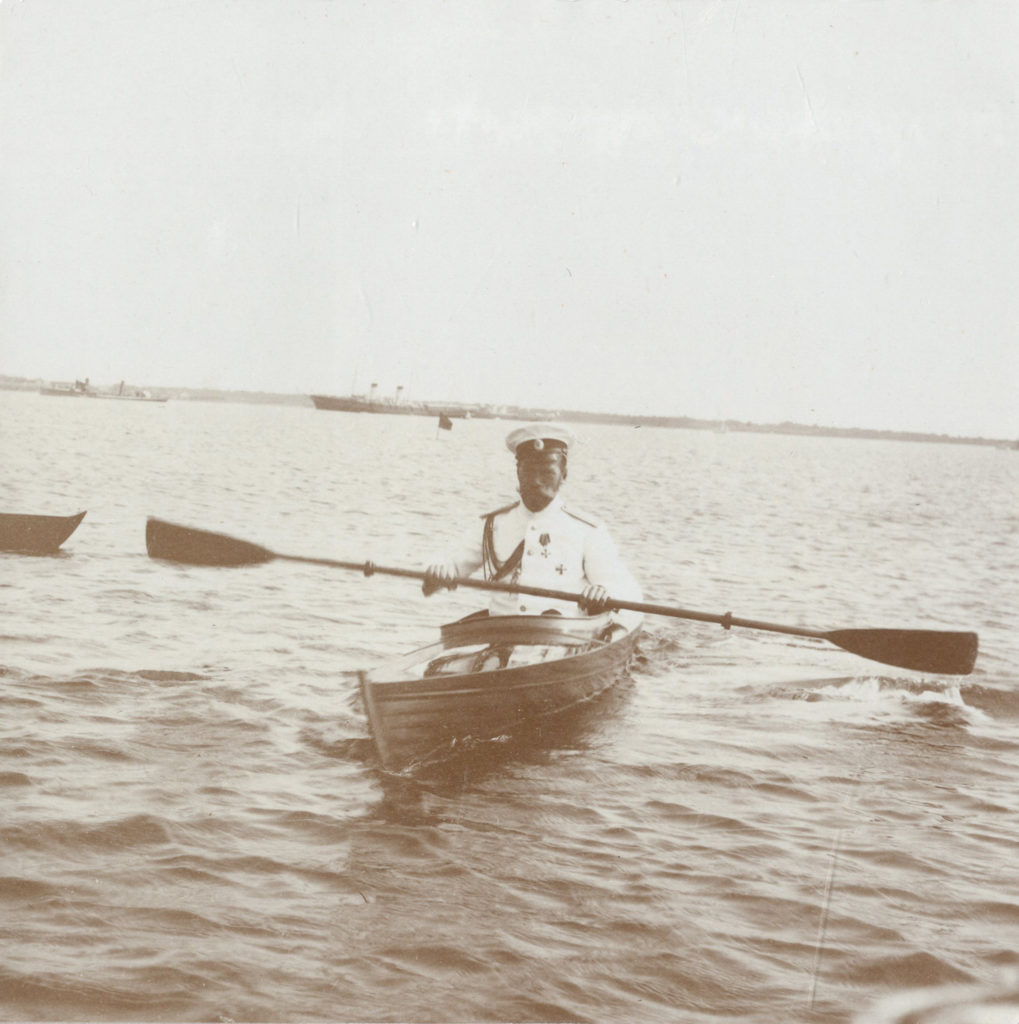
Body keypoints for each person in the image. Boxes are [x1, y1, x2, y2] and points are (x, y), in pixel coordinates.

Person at [422, 422, 642, 629]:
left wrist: (602, 592)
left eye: (547, 472)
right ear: (518, 473)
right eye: (529, 472)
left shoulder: (587, 531)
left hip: (563, 638)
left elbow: (623, 590)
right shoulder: (492, 525)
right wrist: (441, 569)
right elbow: (448, 560)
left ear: (563, 475)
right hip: (501, 635)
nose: (536, 481)